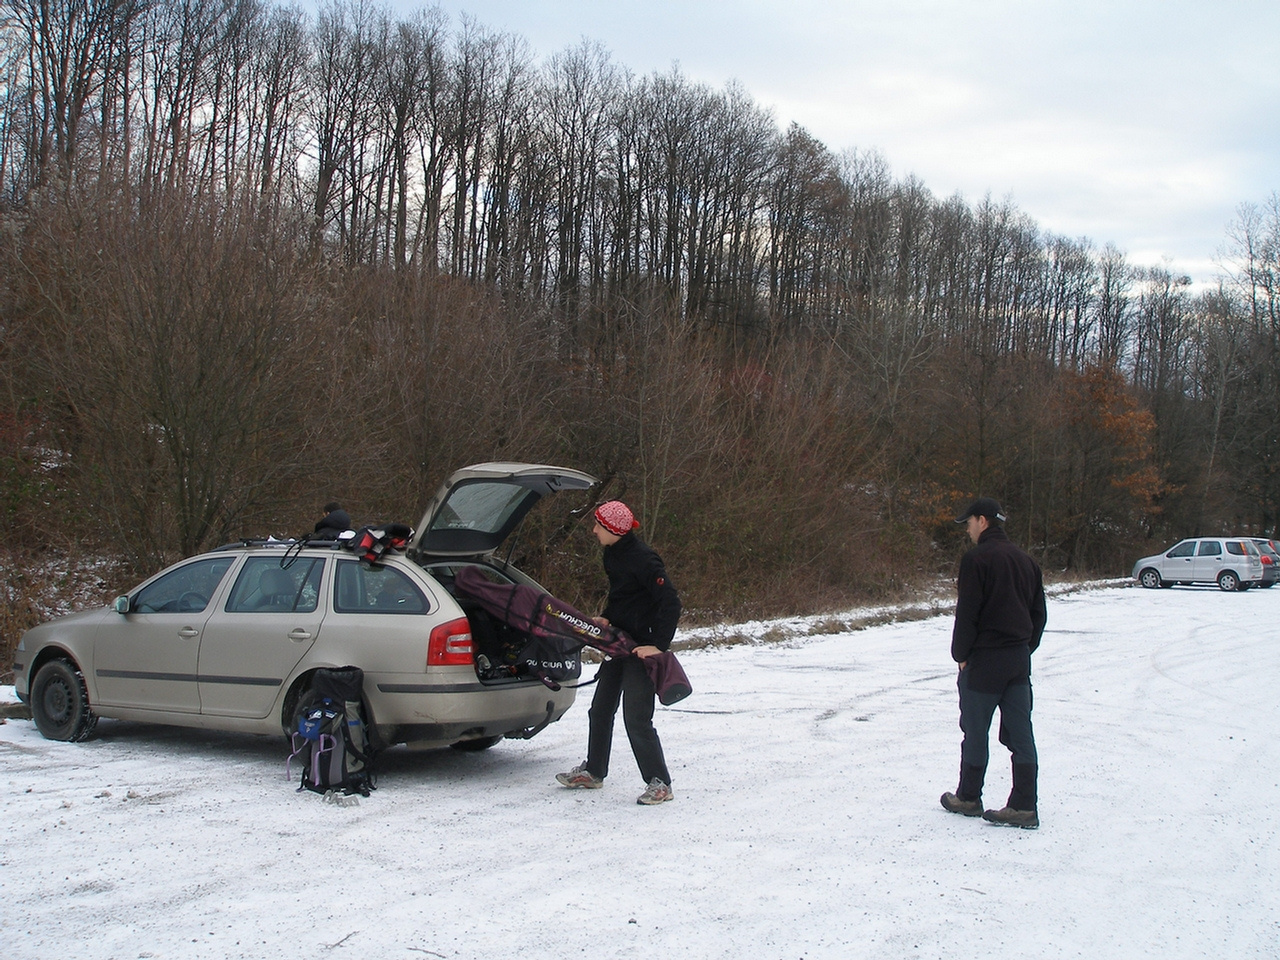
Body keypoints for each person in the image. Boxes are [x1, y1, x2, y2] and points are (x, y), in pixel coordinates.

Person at [556, 500, 682, 805]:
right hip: (620, 643)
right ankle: (594, 772)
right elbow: (622, 595)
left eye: (598, 525)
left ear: (614, 529)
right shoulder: (612, 554)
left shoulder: (644, 559)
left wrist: (657, 646)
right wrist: (608, 617)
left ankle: (659, 783)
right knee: (600, 710)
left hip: (642, 650)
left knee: (636, 718)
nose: (594, 530)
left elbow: (671, 603)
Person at [941, 497, 1046, 829]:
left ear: (982, 520)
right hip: (1017, 660)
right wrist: (1023, 649)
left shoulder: (977, 560)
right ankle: (1024, 805)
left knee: (975, 730)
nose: (968, 530)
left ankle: (969, 797)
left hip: (985, 660)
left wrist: (961, 655)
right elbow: (1039, 615)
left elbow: (967, 614)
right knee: (1021, 733)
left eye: (969, 523)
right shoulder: (1027, 561)